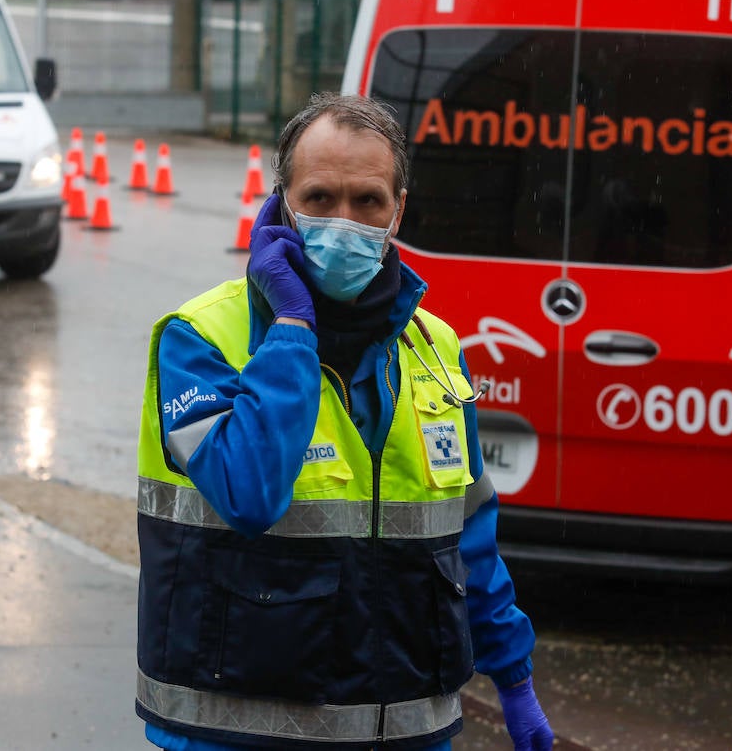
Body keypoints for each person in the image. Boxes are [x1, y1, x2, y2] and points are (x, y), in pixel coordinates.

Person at [135, 93, 554, 750]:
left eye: (368, 203)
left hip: (408, 728)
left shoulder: (436, 348)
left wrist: (515, 679)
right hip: (246, 733)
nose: (344, 222)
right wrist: (294, 324)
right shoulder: (201, 340)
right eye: (320, 198)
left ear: (399, 211)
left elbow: (468, 539)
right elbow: (250, 493)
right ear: (281, 205)